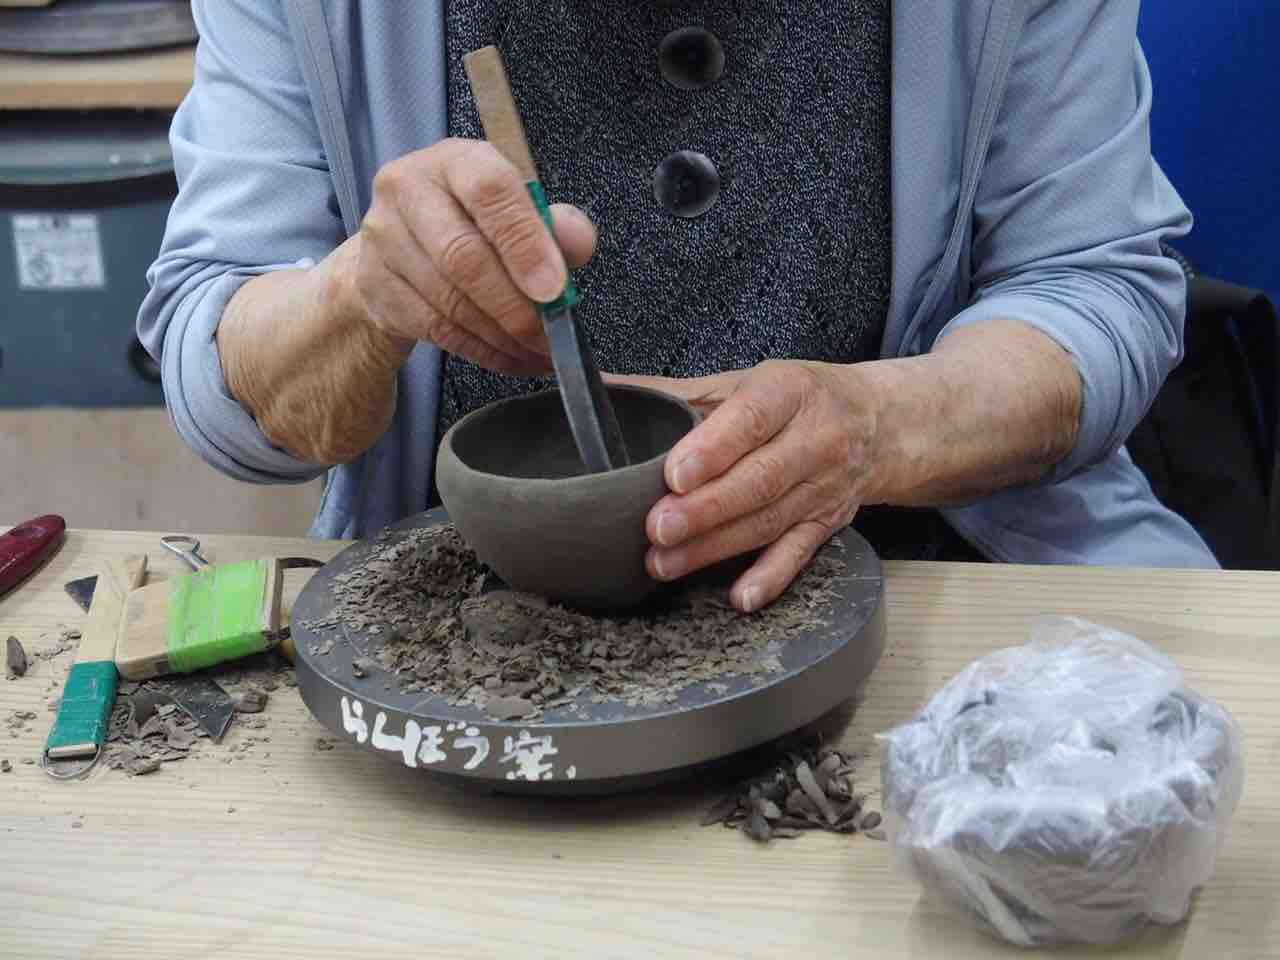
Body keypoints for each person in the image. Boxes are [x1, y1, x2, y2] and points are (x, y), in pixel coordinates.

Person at [138, 0, 1216, 615]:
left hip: (930, 579)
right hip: (474, 613)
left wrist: (881, 426)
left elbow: (1097, 288)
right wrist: (359, 299)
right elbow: (222, 378)